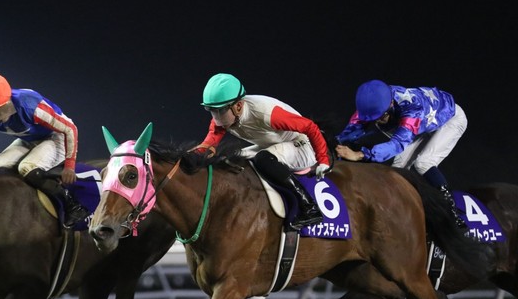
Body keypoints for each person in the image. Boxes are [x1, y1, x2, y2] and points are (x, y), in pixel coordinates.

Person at [199, 73, 331, 230]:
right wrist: (189, 157)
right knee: (230, 159)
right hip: (272, 144)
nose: (216, 118)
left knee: (263, 159)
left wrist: (323, 160)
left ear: (238, 106)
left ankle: (309, 207)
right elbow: (207, 146)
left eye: (220, 111)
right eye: (211, 110)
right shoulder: (223, 117)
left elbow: (310, 127)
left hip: (302, 144)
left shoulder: (268, 114)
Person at [335, 79, 467, 228]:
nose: (377, 122)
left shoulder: (412, 108)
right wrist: (334, 142)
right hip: (423, 125)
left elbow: (398, 144)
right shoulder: (372, 102)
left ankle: (452, 215)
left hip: (449, 119)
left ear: (391, 104)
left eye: (381, 116)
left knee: (423, 162)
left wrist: (360, 155)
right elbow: (350, 131)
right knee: (398, 169)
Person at [0, 73, 89, 228]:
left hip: (56, 136)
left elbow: (70, 129)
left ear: (9, 98)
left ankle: (72, 205)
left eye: (3, 108)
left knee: (27, 167)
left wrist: (70, 165)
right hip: (29, 139)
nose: (0, 116)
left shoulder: (31, 106)